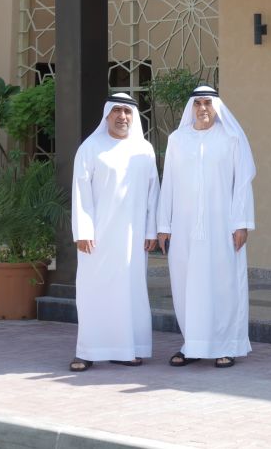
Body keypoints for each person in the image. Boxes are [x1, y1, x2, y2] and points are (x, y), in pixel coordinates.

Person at [157, 86, 255, 369]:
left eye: (207, 103)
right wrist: (164, 226)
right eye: (197, 103)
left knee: (223, 285)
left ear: (216, 107)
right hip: (185, 228)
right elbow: (169, 184)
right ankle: (193, 345)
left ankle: (226, 346)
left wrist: (242, 223)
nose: (202, 108)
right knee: (186, 285)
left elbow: (242, 184)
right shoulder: (178, 139)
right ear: (191, 107)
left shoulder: (231, 138)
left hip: (223, 227)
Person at [70, 94, 160, 372]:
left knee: (129, 293)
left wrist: (151, 230)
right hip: (96, 239)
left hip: (133, 240)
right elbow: (80, 193)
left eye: (127, 111)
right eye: (117, 111)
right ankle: (87, 351)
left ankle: (126, 350)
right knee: (92, 293)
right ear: (107, 115)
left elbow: (152, 194)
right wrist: (83, 231)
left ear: (134, 116)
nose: (123, 116)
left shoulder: (144, 150)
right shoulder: (91, 148)